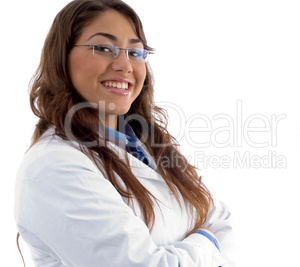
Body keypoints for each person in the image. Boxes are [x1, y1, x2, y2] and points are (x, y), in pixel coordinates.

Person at [14, 0, 235, 266]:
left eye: (135, 51)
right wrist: (207, 242)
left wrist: (194, 244)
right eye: (103, 48)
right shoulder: (53, 165)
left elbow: (222, 220)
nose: (124, 65)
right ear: (61, 57)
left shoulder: (148, 147)